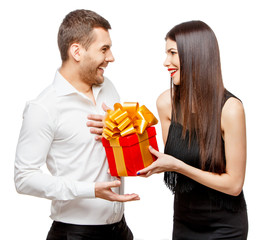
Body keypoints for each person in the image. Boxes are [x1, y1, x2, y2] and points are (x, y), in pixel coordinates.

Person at [14, 9, 139, 240]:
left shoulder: (108, 87)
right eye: (104, 49)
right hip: (75, 234)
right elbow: (24, 178)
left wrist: (122, 131)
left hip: (120, 229)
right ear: (77, 51)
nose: (111, 57)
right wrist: (90, 190)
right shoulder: (43, 108)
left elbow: (120, 144)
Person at [137, 20, 248, 239]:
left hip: (225, 227)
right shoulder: (165, 103)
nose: (165, 62)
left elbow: (234, 184)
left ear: (196, 55)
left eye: (172, 53)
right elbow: (169, 160)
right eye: (166, 53)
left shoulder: (230, 109)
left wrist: (179, 166)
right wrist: (122, 130)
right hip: (184, 222)